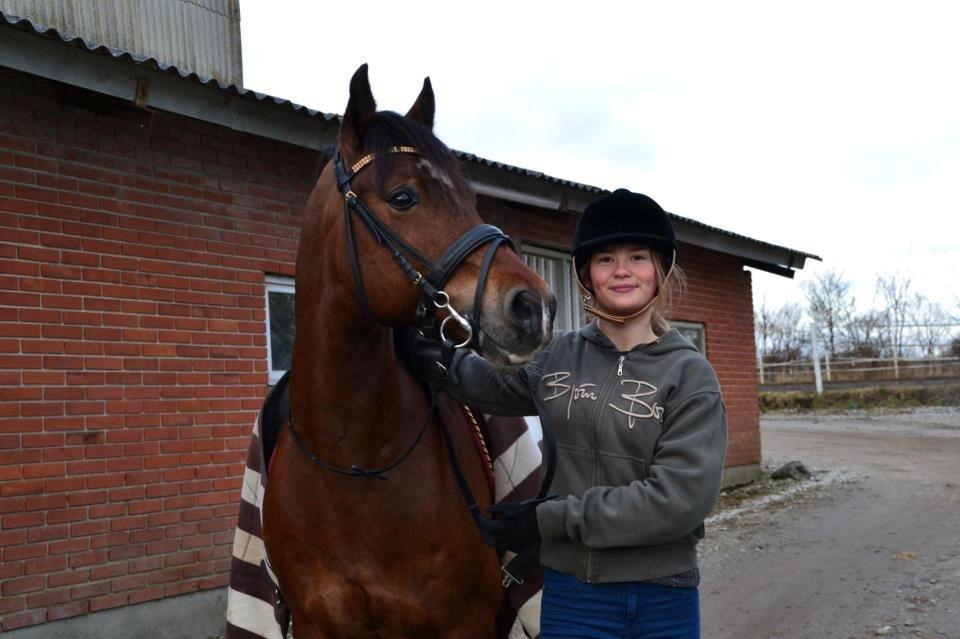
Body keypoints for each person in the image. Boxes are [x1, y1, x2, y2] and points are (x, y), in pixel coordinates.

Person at [422, 188, 728, 639]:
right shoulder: (556, 357)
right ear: (587, 274)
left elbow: (678, 502)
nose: (622, 270)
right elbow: (482, 384)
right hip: (573, 595)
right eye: (605, 259)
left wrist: (548, 519)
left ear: (660, 270)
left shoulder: (690, 375)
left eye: (638, 257)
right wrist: (433, 350)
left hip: (662, 596)